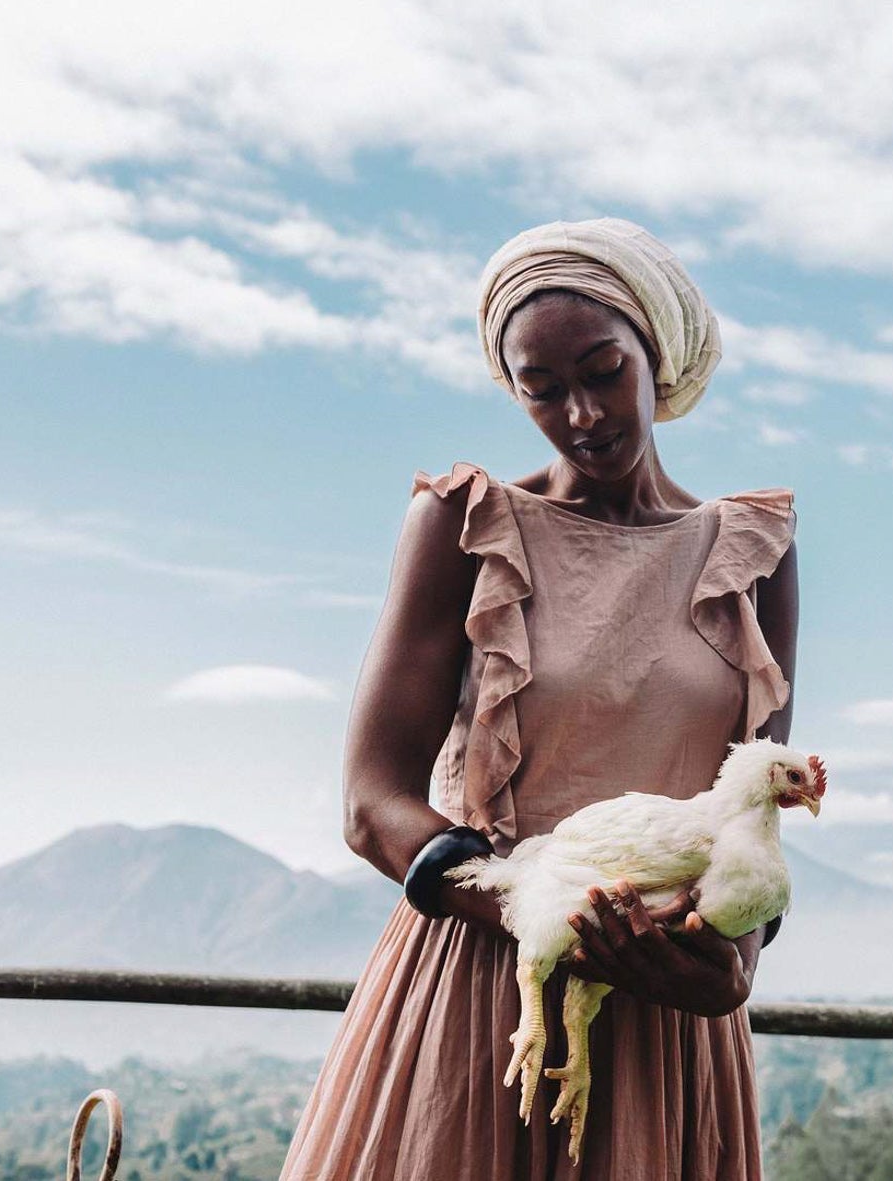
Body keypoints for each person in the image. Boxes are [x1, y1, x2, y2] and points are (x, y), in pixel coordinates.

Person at [279, 218, 799, 1180]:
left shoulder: (751, 550)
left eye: (604, 372)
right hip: (488, 986)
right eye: (543, 389)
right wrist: (533, 904)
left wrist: (733, 965)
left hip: (664, 1017)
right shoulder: (464, 526)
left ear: (656, 353)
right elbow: (371, 802)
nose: (583, 413)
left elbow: (756, 808)